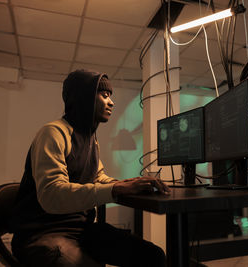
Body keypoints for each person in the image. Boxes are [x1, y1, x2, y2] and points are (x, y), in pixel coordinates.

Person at [9, 69, 170, 267]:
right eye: (104, 95)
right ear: (83, 98)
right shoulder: (53, 133)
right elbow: (51, 194)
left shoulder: (91, 139)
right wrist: (116, 189)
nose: (111, 102)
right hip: (41, 232)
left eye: (110, 96)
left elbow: (97, 176)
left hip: (80, 229)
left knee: (153, 256)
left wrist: (128, 183)